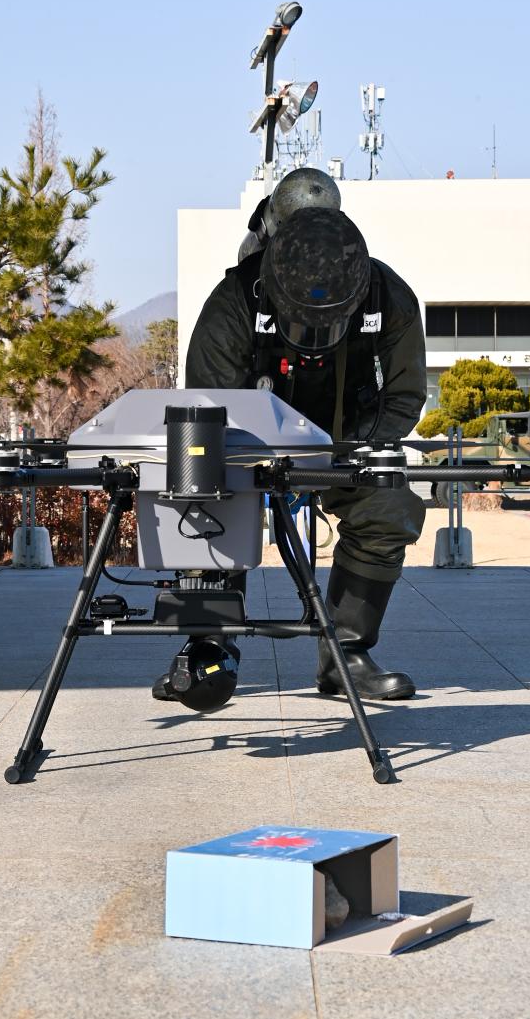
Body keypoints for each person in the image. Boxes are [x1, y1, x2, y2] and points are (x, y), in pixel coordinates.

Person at [153, 169, 426, 703]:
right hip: (250, 445)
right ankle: (209, 651)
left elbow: (403, 395)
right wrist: (253, 462)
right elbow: (207, 405)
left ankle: (344, 654)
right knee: (202, 502)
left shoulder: (388, 296)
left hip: (346, 443)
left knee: (391, 508)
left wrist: (351, 454)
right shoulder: (233, 301)